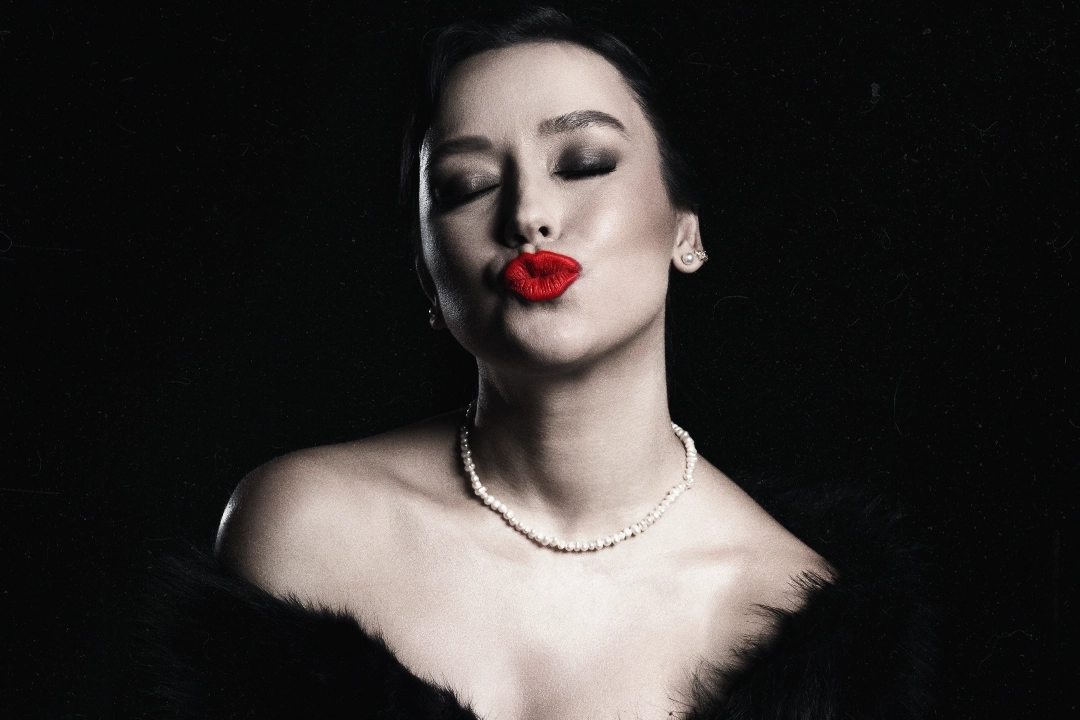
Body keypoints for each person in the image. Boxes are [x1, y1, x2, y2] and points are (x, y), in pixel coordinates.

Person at [128, 7, 934, 719]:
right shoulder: (306, 529)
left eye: (582, 164)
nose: (527, 215)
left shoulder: (787, 614)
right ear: (428, 275)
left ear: (686, 230)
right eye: (467, 185)